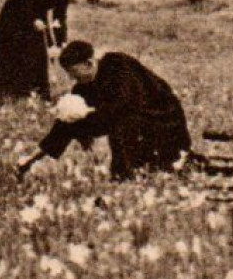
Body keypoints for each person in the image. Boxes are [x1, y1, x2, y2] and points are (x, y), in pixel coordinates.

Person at [16, 40, 194, 181]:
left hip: (163, 119)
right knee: (75, 120)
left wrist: (86, 116)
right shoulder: (82, 87)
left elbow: (123, 107)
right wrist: (33, 158)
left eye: (75, 74)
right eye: (70, 75)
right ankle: (28, 164)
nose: (73, 79)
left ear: (89, 63)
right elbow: (65, 124)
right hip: (130, 118)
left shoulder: (118, 66)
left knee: (120, 120)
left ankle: (124, 175)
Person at [0, 0, 87, 100]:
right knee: (9, 52)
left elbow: (59, 20)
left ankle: (30, 91)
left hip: (34, 23)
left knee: (36, 53)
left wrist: (61, 43)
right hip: (13, 17)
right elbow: (25, 1)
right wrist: (33, 19)